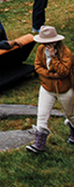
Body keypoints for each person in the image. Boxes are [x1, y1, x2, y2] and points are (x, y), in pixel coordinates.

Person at [25, 25, 74, 153]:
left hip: (64, 89)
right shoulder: (41, 50)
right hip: (47, 87)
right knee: (42, 115)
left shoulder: (66, 52)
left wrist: (53, 57)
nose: (46, 44)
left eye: (48, 42)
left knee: (70, 115)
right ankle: (39, 144)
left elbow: (63, 72)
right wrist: (51, 75)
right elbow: (38, 67)